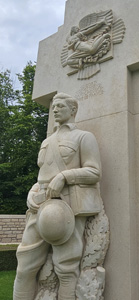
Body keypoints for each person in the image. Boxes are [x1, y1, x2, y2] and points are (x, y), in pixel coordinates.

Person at [14, 93, 102, 300]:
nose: (54, 110)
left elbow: (94, 172)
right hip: (39, 206)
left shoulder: (84, 137)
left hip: (67, 205)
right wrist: (33, 190)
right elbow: (42, 175)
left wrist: (64, 176)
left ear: (73, 110)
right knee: (24, 266)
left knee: (66, 269)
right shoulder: (47, 141)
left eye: (60, 106)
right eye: (53, 106)